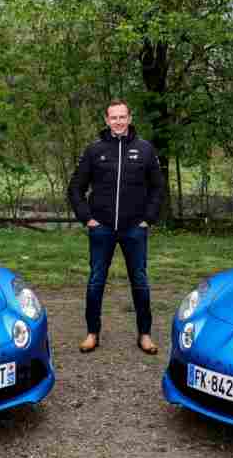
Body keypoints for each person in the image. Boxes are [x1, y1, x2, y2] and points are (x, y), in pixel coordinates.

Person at [67, 99, 163, 354]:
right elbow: (75, 187)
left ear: (130, 118)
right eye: (114, 117)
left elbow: (158, 187)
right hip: (102, 228)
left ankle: (144, 334)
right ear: (106, 120)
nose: (118, 122)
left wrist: (148, 219)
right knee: (96, 280)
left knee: (140, 282)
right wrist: (87, 217)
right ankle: (92, 333)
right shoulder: (94, 150)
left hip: (134, 228)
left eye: (123, 117)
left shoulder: (144, 149)